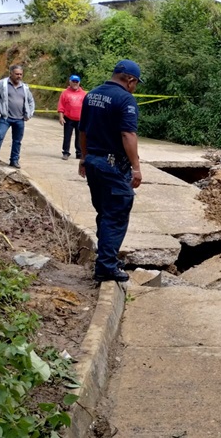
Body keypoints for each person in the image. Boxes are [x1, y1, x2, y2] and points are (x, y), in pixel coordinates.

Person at [78, 60, 143, 282]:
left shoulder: (91, 95)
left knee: (105, 213)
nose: (135, 88)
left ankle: (107, 257)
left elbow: (83, 131)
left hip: (93, 163)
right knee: (116, 213)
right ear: (130, 80)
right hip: (112, 165)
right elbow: (128, 134)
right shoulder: (125, 99)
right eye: (136, 83)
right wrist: (136, 167)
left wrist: (84, 158)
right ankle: (106, 266)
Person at [0, 64, 35, 169]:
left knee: (17, 141)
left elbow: (31, 101)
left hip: (20, 119)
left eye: (21, 74)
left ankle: (14, 160)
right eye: (17, 74)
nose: (19, 76)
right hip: (6, 118)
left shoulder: (25, 87)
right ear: (11, 73)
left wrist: (29, 114)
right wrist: (1, 109)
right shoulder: (3, 84)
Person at [58, 74, 86, 160]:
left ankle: (79, 153)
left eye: (76, 81)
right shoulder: (65, 93)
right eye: (73, 81)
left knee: (80, 137)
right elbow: (61, 106)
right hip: (68, 118)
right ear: (70, 82)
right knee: (67, 136)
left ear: (79, 82)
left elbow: (86, 107)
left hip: (80, 119)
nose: (75, 83)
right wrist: (61, 117)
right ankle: (66, 152)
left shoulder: (83, 94)